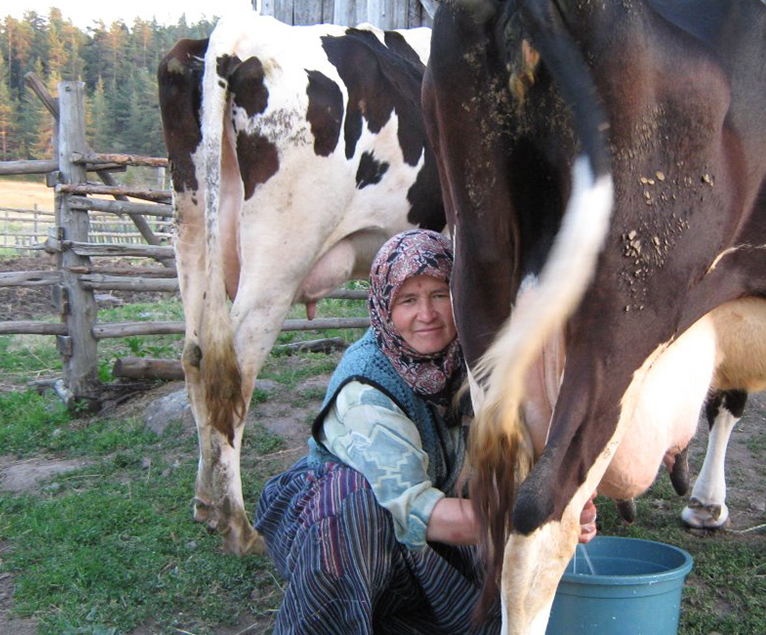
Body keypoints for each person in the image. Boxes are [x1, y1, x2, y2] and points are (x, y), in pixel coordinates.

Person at [254, 229, 596, 634]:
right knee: (353, 504)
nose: (427, 314)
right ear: (384, 307)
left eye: (439, 294)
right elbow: (418, 509)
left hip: (431, 517)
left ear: (459, 296)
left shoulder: (473, 362)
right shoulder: (365, 389)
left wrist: (567, 509)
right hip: (345, 527)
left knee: (493, 498)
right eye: (408, 300)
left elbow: (520, 456)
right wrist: (533, 519)